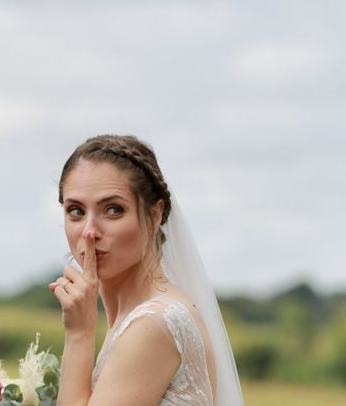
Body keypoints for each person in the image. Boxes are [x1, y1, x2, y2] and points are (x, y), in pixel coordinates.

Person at [49, 135, 243, 405]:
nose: (89, 231)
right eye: (76, 211)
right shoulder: (137, 317)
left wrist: (79, 333)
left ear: (154, 215)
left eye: (113, 210)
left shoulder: (152, 324)